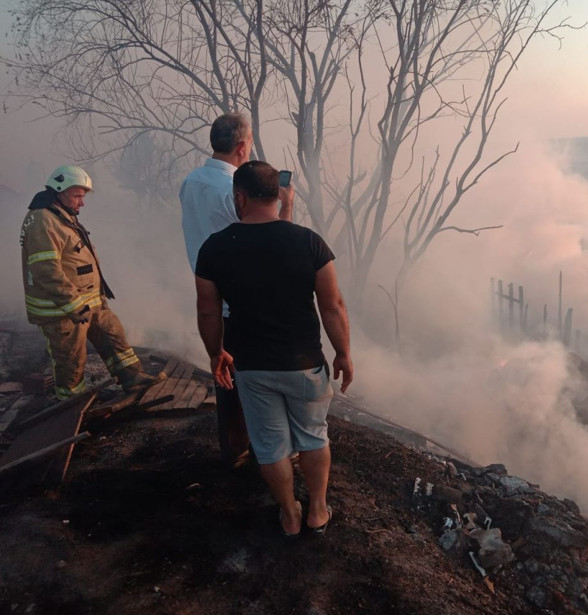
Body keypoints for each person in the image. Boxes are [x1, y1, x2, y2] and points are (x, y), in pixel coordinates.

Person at [195, 161, 352, 536]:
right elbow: (332, 306)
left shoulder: (214, 248)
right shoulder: (309, 242)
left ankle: (289, 515)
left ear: (240, 198)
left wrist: (216, 353)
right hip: (305, 364)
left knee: (270, 445)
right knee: (313, 437)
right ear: (278, 195)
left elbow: (207, 311)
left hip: (251, 366)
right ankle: (317, 511)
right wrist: (343, 352)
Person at [179, 113, 292, 468]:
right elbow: (273, 242)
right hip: (247, 300)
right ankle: (268, 454)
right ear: (242, 147)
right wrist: (286, 205)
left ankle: (234, 452)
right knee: (262, 380)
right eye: (251, 143)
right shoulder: (236, 190)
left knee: (226, 379)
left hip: (211, 295)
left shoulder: (191, 182)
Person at [20, 165, 159, 400]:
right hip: (63, 310)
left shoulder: (61, 216)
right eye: (77, 196)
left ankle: (133, 378)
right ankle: (71, 404)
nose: (82, 203)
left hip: (88, 302)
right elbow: (47, 271)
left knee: (113, 334)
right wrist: (73, 305)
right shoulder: (42, 220)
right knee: (71, 359)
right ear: (59, 191)